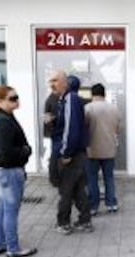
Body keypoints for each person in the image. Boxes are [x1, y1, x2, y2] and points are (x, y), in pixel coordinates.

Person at [0, 85, 37, 257]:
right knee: (10, 211)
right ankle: (13, 249)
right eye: (12, 98)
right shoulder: (3, 122)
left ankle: (0, 244)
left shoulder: (1, 116)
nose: (17, 100)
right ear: (0, 101)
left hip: (2, 170)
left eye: (17, 97)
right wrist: (26, 151)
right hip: (9, 171)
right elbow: (6, 153)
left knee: (2, 207)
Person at [50, 70, 93, 234]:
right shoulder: (67, 100)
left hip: (71, 155)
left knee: (66, 190)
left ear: (65, 83)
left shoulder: (70, 99)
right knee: (77, 189)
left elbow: (71, 129)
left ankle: (63, 223)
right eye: (50, 81)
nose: (52, 84)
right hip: (78, 154)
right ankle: (85, 221)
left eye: (55, 80)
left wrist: (66, 154)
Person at [85, 83, 121, 215]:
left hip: (92, 150)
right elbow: (118, 129)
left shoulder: (87, 108)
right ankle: (111, 204)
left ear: (92, 94)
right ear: (104, 94)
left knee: (92, 178)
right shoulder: (114, 109)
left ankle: (93, 207)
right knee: (109, 178)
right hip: (109, 149)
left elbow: (84, 128)